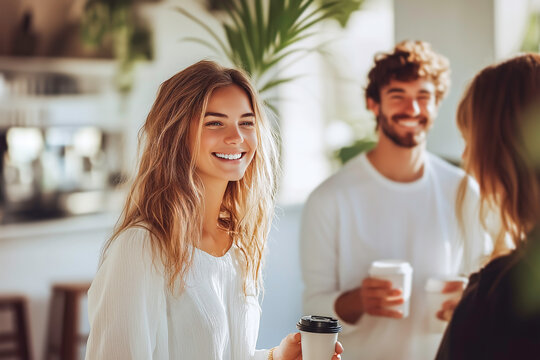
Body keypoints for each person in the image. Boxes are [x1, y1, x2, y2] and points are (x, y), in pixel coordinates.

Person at [84, 60, 343, 360]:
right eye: (215, 122)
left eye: (246, 122)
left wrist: (274, 357)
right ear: (176, 134)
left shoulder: (237, 244)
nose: (236, 137)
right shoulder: (142, 247)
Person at [300, 40, 497, 359]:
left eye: (424, 97)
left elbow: (487, 280)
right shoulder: (330, 198)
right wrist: (358, 301)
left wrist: (468, 295)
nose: (413, 109)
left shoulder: (463, 189)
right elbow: (312, 308)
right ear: (373, 104)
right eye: (398, 96)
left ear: (436, 104)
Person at [436, 53, 540, 359]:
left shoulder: (500, 292)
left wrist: (475, 316)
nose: (466, 157)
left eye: (470, 140)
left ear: (502, 149)